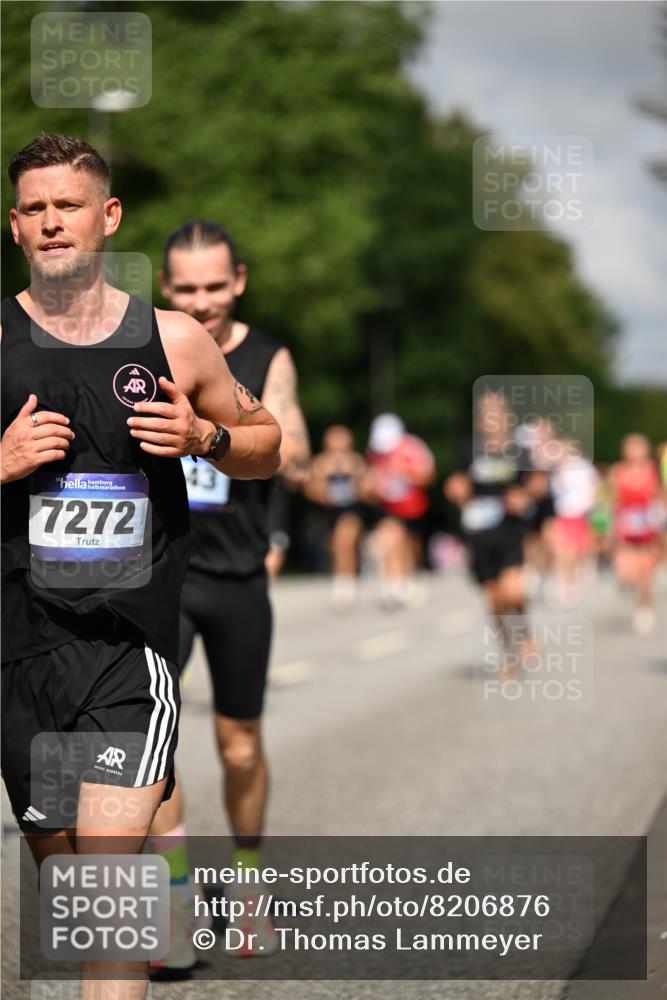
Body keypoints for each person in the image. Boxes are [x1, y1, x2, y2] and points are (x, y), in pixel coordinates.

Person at [0, 135, 281, 999]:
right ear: (15, 226)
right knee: (81, 897)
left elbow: (265, 444)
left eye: (69, 205)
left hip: (129, 654)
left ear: (107, 216)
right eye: (35, 209)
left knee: (115, 897)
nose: (53, 222)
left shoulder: (175, 339)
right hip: (23, 654)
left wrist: (207, 438)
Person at [148, 219, 310, 970]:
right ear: (165, 288)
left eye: (215, 287)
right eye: (186, 289)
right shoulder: (152, 347)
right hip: (163, 577)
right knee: (156, 746)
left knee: (239, 748)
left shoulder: (266, 355)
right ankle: (176, 900)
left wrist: (222, 429)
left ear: (238, 281)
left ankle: (247, 886)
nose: (202, 302)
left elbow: (289, 442)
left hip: (239, 578)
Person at [444, 391, 534, 676]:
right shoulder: (469, 449)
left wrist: (525, 497)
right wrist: (456, 491)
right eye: (485, 414)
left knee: (514, 591)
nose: (490, 419)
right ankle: (509, 655)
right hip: (479, 535)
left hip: (509, 531)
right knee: (495, 602)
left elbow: (536, 485)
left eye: (495, 412)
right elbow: (458, 483)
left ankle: (525, 632)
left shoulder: (520, 452)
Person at [366, 413, 435, 609]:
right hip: (388, 507)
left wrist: (406, 472)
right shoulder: (375, 451)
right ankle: (392, 585)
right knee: (389, 539)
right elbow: (370, 482)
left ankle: (407, 578)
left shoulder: (414, 447)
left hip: (413, 507)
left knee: (409, 546)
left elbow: (428, 476)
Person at [305, 424, 369, 609]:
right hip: (328, 513)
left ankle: (346, 583)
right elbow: (310, 490)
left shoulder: (356, 461)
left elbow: (368, 491)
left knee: (346, 540)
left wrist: (355, 478)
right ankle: (343, 578)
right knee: (336, 546)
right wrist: (324, 483)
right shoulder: (320, 462)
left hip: (351, 510)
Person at [609, 433, 664, 635]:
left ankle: (644, 608)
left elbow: (661, 494)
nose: (634, 452)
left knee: (646, 571)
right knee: (626, 571)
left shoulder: (654, 470)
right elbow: (610, 498)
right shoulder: (618, 470)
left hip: (649, 525)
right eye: (630, 447)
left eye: (638, 447)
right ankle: (628, 584)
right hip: (625, 525)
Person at [546, 439, 598, 607]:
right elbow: (555, 491)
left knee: (575, 551)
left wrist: (590, 505)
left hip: (579, 513)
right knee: (561, 550)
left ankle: (573, 584)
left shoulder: (584, 467)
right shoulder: (557, 469)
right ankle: (563, 583)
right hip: (562, 513)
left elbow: (592, 487)